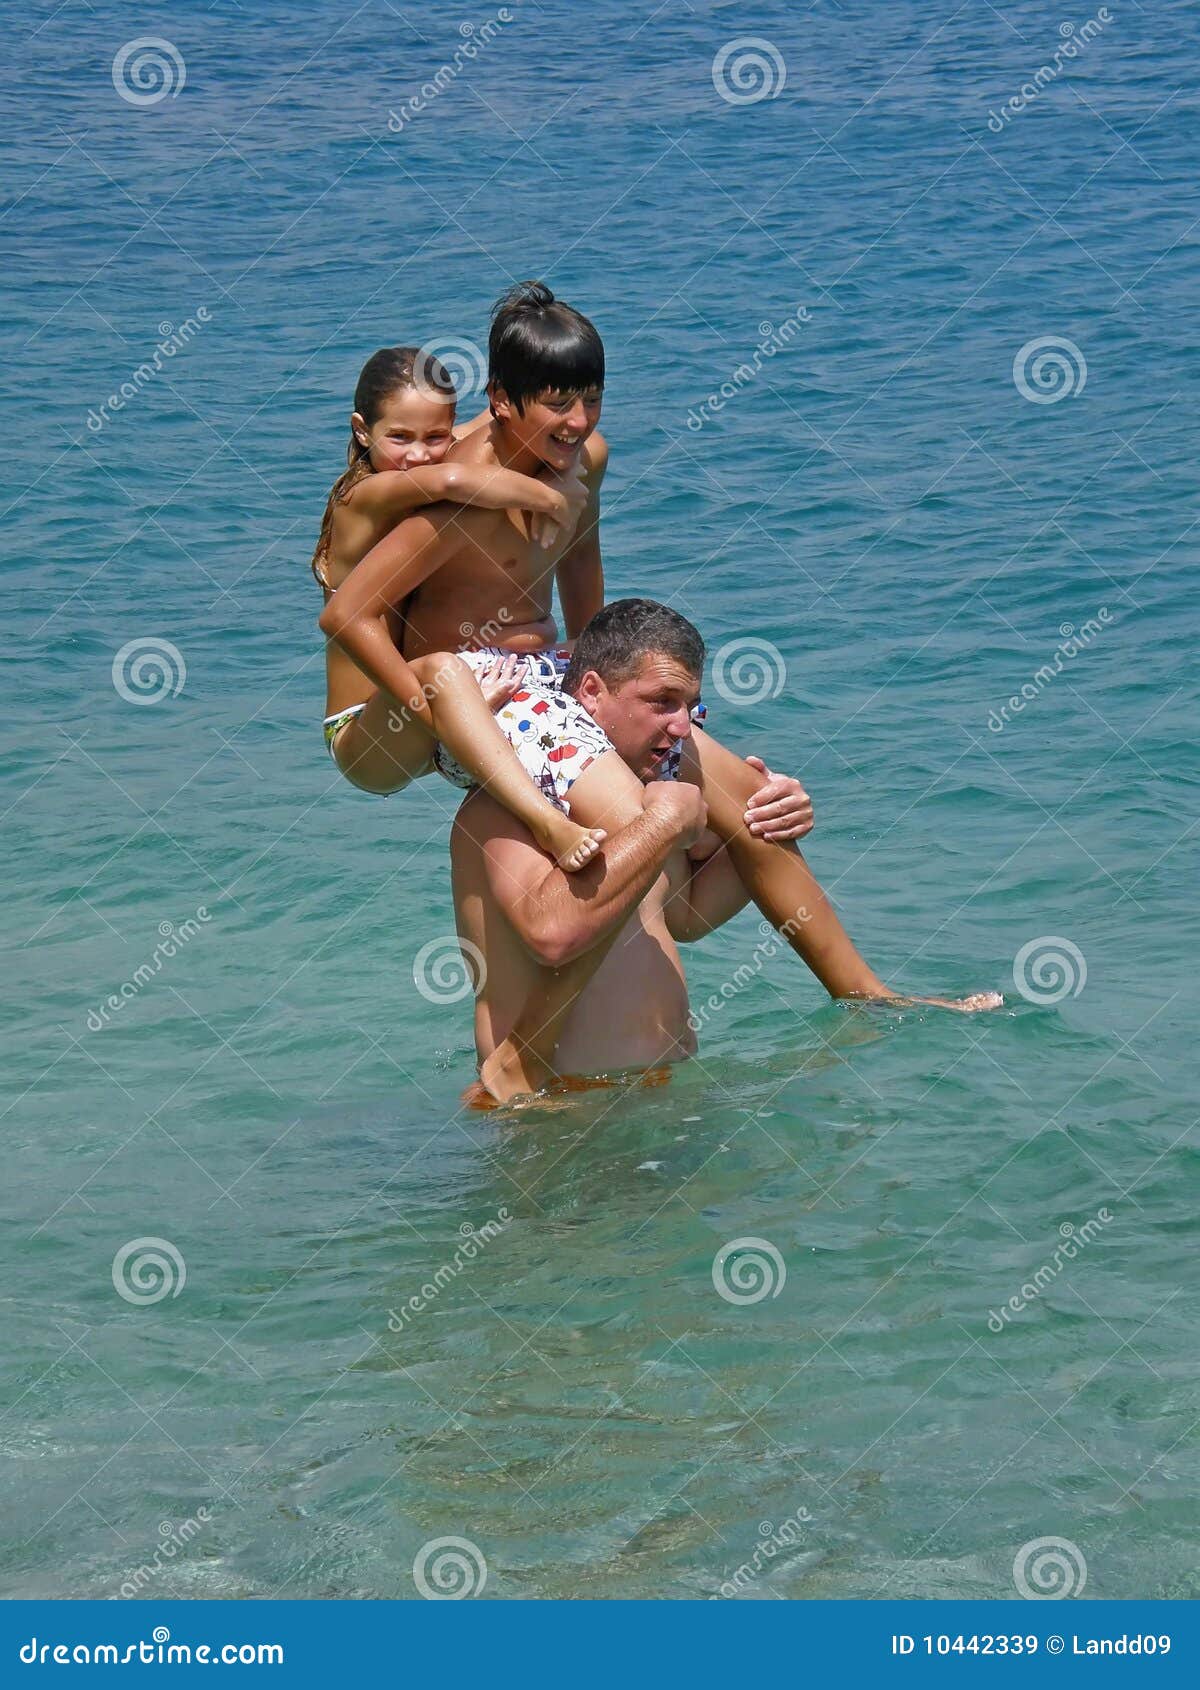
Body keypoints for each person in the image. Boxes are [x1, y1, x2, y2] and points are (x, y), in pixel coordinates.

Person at [452, 601, 1001, 1097]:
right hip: (556, 1113)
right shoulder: (506, 806)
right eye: (661, 702)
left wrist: (766, 820)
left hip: (666, 1096)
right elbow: (552, 934)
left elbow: (685, 915)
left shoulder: (641, 804)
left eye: (691, 704)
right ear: (591, 693)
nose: (682, 725)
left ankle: (872, 996)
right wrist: (666, 823)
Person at [313, 344, 605, 870]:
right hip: (369, 735)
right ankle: (550, 823)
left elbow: (509, 419)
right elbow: (454, 479)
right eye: (398, 437)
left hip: (429, 714)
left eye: (436, 436)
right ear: (362, 430)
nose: (420, 453)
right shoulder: (364, 496)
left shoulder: (429, 455)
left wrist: (557, 455)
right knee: (446, 673)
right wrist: (553, 497)